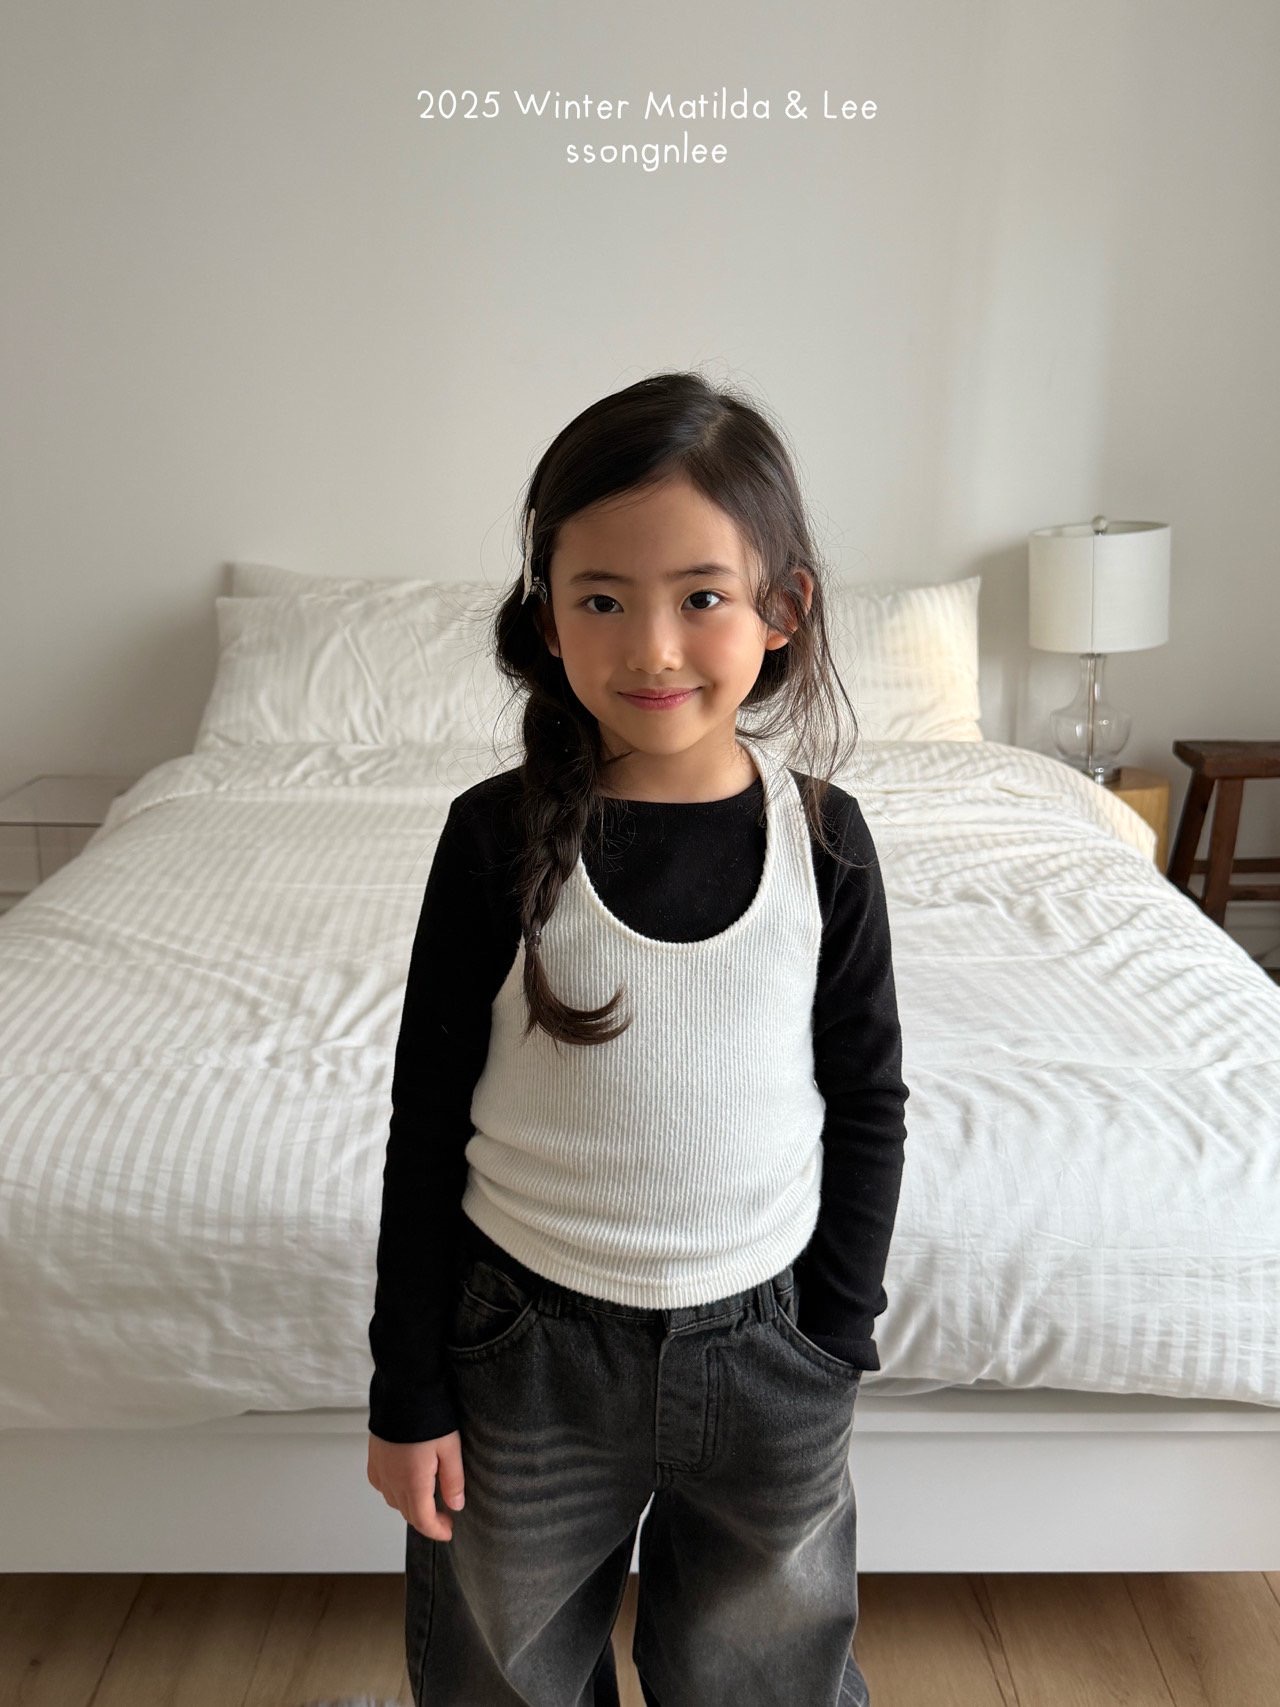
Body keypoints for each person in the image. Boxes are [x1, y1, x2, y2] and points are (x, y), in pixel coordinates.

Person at [365, 370, 910, 1707]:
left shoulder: (826, 842)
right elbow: (426, 1117)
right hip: (525, 1357)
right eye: (602, 600)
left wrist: (837, 1335)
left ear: (784, 609)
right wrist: (407, 1389)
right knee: (502, 1681)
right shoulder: (492, 837)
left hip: (772, 1348)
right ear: (546, 617)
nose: (654, 649)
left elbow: (868, 1098)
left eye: (702, 597)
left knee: (763, 1681)